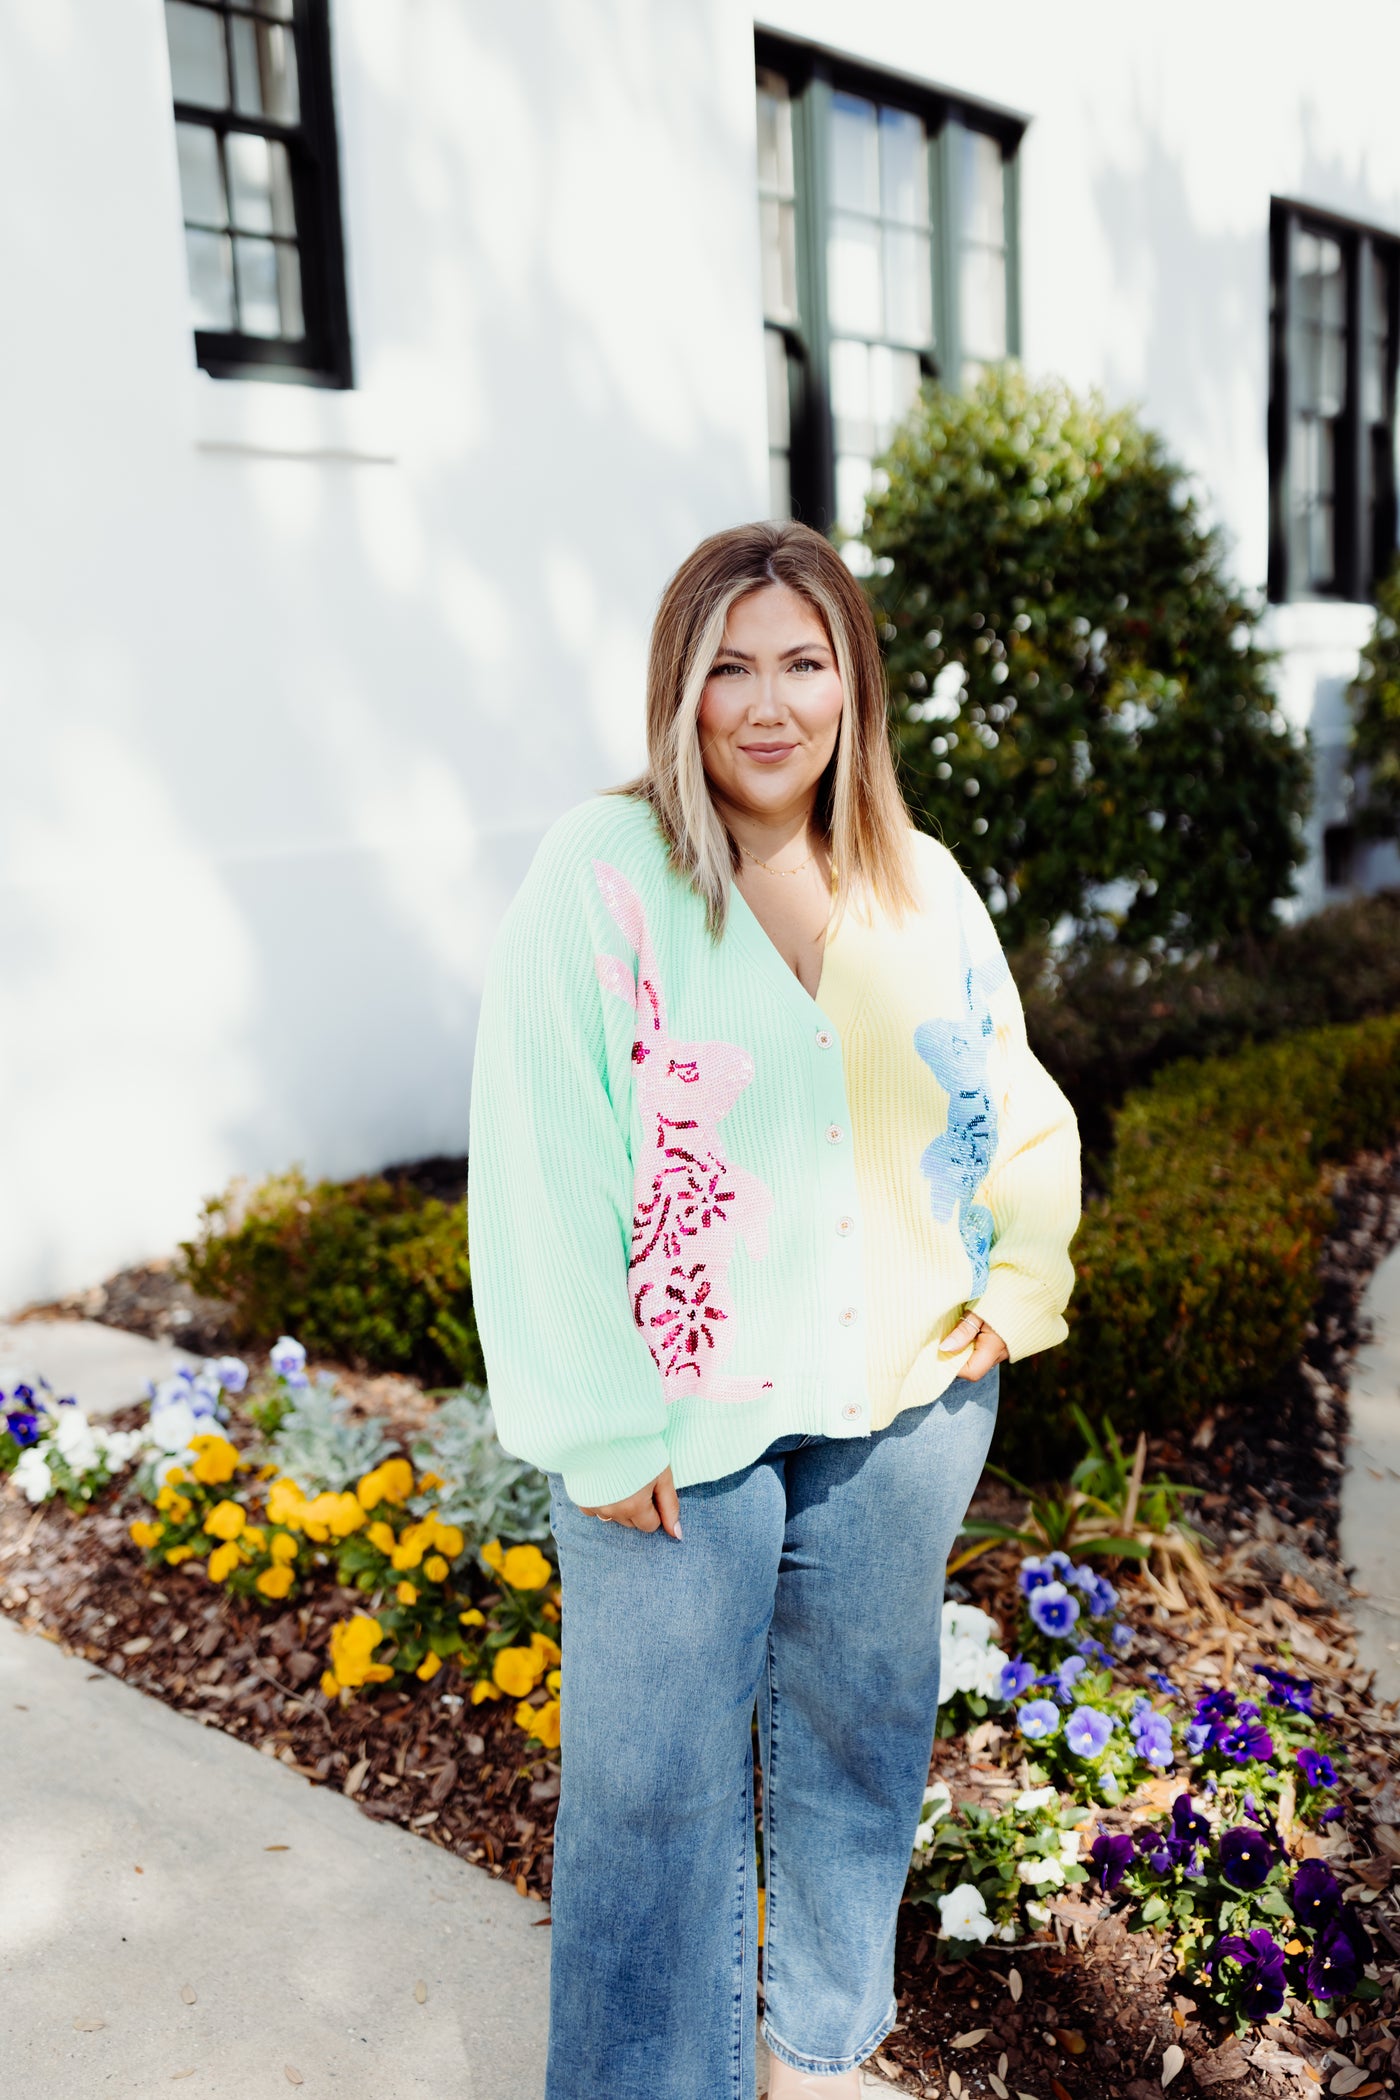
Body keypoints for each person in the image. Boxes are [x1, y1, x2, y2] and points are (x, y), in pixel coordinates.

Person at [467, 519, 1080, 2100]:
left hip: (905, 1404)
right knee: (652, 1797)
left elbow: (1009, 1092)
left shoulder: (915, 879)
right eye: (727, 664)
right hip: (675, 1425)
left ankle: (817, 2052)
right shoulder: (600, 875)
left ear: (850, 686)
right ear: (679, 687)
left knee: (863, 1751)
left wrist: (1018, 1280)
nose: (765, 701)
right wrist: (595, 1423)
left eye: (801, 662)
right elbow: (542, 1156)